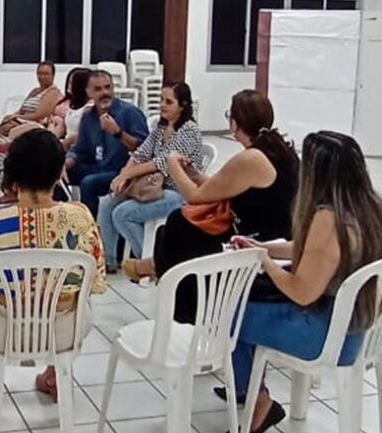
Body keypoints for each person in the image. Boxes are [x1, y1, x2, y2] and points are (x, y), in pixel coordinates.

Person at [221, 131, 382, 433]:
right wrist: (265, 248)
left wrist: (263, 261)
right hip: (358, 331)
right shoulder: (368, 208)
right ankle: (250, 388)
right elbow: (315, 251)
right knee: (247, 308)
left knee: (231, 314)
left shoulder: (328, 218)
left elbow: (301, 292)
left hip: (323, 337)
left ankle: (257, 399)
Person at [0, 128, 106, 402]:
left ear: (12, 175)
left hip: (0, 333)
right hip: (64, 333)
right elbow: (95, 277)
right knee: (74, 292)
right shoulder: (81, 216)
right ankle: (54, 374)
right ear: (59, 173)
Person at [124, 90, 300, 324]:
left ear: (234, 123)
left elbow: (195, 197)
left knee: (178, 225)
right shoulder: (279, 150)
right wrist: (195, 175)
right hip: (268, 227)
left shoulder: (252, 158)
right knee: (176, 226)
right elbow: (225, 187)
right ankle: (155, 269)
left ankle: (177, 301)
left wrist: (171, 164)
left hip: (255, 237)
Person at [97, 82, 203, 272]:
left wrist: (127, 174)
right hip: (153, 186)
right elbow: (140, 154)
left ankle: (153, 263)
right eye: (161, 100)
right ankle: (108, 262)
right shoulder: (161, 128)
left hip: (178, 192)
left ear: (183, 105)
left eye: (168, 102)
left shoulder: (189, 131)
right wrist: (122, 178)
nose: (162, 105)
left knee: (122, 214)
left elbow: (161, 163)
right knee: (107, 203)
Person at [63, 70, 149, 217]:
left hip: (122, 170)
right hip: (97, 166)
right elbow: (80, 151)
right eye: (98, 89)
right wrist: (64, 164)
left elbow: (144, 149)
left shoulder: (129, 113)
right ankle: (60, 219)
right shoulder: (88, 117)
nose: (105, 93)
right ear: (89, 92)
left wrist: (118, 132)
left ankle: (90, 227)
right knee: (54, 175)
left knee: (89, 183)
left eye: (108, 87)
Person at [0, 61, 63, 192]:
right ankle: (0, 178)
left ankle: (10, 181)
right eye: (39, 73)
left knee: (7, 141)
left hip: (36, 127)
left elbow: (39, 114)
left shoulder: (52, 93)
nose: (42, 77)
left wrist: (17, 118)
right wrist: (12, 116)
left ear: (53, 75)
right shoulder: (35, 91)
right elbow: (22, 109)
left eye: (46, 74)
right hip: (23, 121)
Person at [49, 67, 92, 150]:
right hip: (66, 142)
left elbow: (84, 135)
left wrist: (61, 146)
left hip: (76, 148)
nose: (68, 86)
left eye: (71, 83)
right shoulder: (73, 105)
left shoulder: (89, 108)